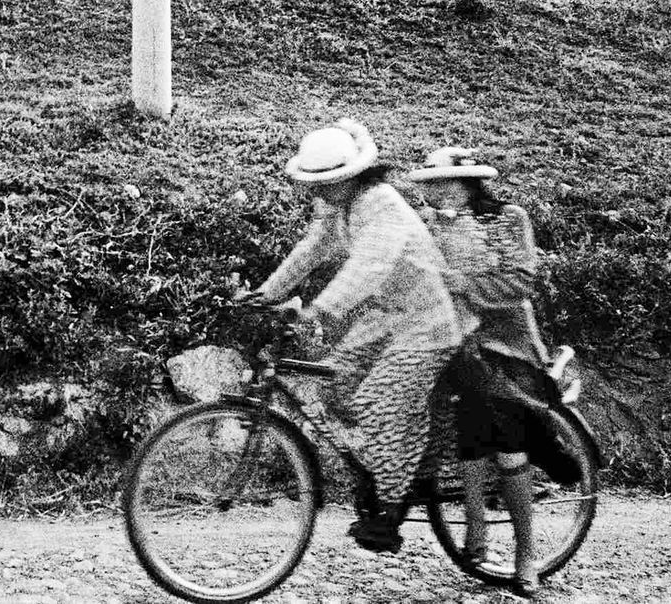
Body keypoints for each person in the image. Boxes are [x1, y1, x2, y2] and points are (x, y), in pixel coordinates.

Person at [235, 119, 474, 553]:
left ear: (353, 175)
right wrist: (267, 293)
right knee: (333, 382)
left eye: (329, 181)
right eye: (315, 182)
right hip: (383, 319)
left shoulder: (381, 203)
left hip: (426, 322)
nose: (320, 190)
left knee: (379, 401)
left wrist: (321, 310)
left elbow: (370, 264)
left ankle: (390, 508)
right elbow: (312, 248)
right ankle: (387, 465)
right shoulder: (336, 205)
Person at [410, 147, 555, 598]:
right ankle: (473, 526)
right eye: (430, 186)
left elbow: (522, 280)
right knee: (466, 437)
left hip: (506, 347)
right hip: (455, 343)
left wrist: (462, 285)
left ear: (469, 184)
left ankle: (526, 553)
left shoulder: (507, 220)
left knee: (507, 443)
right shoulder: (429, 225)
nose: (435, 194)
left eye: (444, 184)